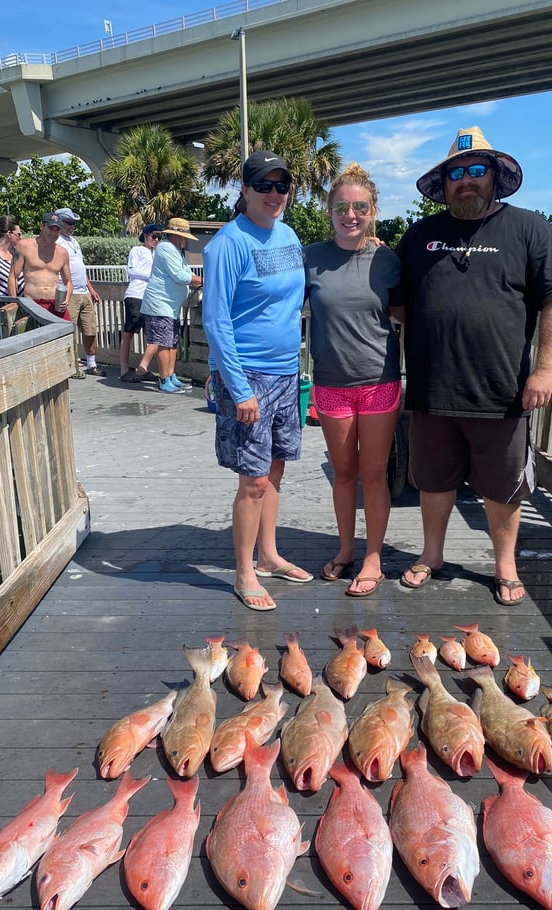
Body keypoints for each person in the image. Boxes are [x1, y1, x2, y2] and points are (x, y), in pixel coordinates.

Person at [396, 125, 552, 606]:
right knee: (432, 481)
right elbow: (397, 302)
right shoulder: (420, 235)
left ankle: (505, 565)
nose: (467, 180)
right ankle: (431, 554)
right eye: (457, 173)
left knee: (502, 487)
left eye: (477, 170)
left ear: (495, 176)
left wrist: (546, 370)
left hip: (502, 392)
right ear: (445, 182)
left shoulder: (530, 228)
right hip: (432, 390)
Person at [202, 150, 312, 612]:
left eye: (281, 185)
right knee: (252, 480)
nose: (273, 194)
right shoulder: (226, 243)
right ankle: (244, 572)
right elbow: (216, 320)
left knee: (276, 470)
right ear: (244, 190)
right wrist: (240, 389)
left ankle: (268, 555)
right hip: (247, 376)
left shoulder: (288, 235)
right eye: (263, 185)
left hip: (288, 373)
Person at [304, 163, 403, 597]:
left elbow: (410, 311)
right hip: (329, 382)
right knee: (344, 473)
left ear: (373, 211)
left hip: (379, 380)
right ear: (329, 210)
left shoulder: (387, 258)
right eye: (342, 206)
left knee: (374, 474)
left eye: (360, 207)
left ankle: (373, 557)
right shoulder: (310, 257)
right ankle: (346, 550)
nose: (351, 214)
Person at [140, 217, 202, 394]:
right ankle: (163, 379)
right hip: (160, 305)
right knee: (163, 343)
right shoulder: (165, 247)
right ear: (176, 236)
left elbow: (186, 273)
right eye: (184, 237)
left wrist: (198, 280)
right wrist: (205, 280)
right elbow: (180, 276)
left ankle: (171, 375)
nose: (185, 240)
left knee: (172, 342)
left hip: (169, 307)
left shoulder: (175, 250)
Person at [54, 208, 102, 378]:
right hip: (68, 292)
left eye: (74, 223)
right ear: (58, 221)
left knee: (90, 328)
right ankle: (72, 365)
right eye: (68, 222)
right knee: (69, 329)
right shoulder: (55, 241)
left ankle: (91, 363)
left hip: (84, 292)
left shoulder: (74, 241)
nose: (72, 226)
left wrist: (91, 288)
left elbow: (80, 267)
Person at [8, 212, 72, 322]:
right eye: (51, 228)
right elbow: (13, 276)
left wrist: (67, 297)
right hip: (32, 304)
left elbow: (68, 281)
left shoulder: (63, 252)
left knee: (66, 335)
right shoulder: (24, 245)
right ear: (42, 226)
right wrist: (14, 302)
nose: (53, 233)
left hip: (55, 304)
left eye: (57, 229)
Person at [118, 222, 162, 382]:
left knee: (153, 335)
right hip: (136, 295)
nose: (156, 240)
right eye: (154, 236)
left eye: (159, 237)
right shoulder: (137, 250)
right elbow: (131, 270)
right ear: (145, 236)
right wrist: (152, 275)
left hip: (151, 297)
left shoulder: (158, 254)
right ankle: (124, 369)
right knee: (129, 332)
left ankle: (143, 368)